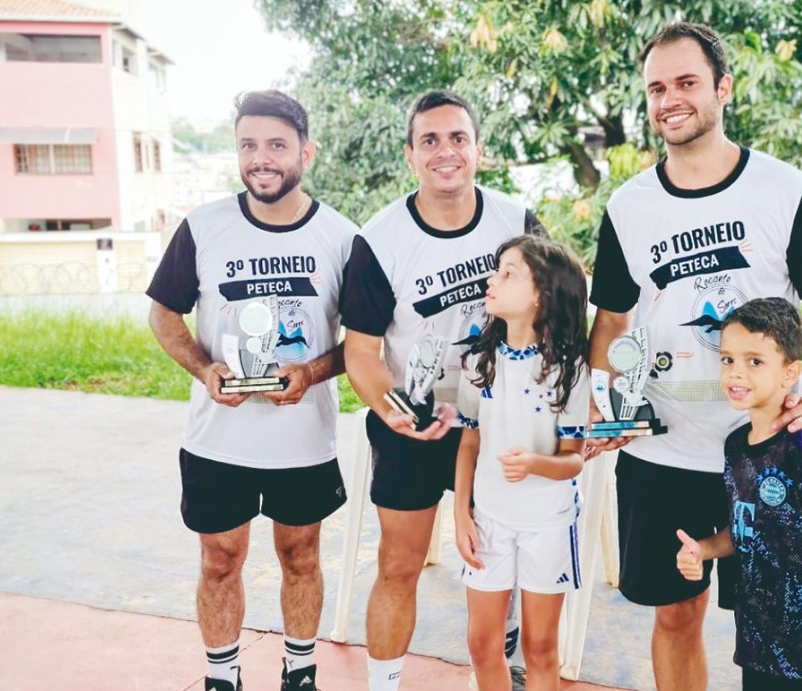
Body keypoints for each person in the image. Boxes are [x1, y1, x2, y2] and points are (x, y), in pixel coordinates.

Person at [587, 21, 802, 691]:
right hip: (663, 454)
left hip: (764, 450)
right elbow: (613, 321)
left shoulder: (784, 191)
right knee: (675, 616)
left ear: (723, 88)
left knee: (775, 625)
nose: (669, 99)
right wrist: (605, 402)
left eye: (686, 82)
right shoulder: (629, 206)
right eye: (656, 88)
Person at [147, 90, 357, 691]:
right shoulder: (203, 226)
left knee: (301, 556)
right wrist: (204, 369)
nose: (260, 158)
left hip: (303, 440)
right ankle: (223, 678)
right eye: (247, 145)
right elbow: (164, 314)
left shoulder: (342, 237)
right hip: (218, 440)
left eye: (276, 145)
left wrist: (311, 373)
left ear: (306, 153)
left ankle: (300, 673)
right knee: (219, 560)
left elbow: (366, 342)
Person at [340, 90, 544, 691]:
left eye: (458, 138)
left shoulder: (517, 221)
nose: (445, 151)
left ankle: (504, 662)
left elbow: (556, 312)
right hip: (416, 419)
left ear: (479, 150)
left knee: (501, 557)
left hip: (500, 419)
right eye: (429, 140)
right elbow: (361, 352)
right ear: (410, 155)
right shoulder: (380, 239)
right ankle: (383, 683)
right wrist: (395, 409)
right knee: (399, 562)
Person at [676, 297, 802, 691]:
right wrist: (703, 550)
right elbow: (746, 527)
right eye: (728, 360)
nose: (736, 372)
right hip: (756, 639)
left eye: (754, 361)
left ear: (790, 372)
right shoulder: (736, 447)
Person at [454, 236, 589, 691]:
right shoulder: (478, 361)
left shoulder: (570, 369)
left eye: (508, 273)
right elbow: (469, 443)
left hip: (547, 523)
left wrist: (534, 463)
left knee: (540, 647)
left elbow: (574, 460)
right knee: (481, 644)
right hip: (489, 520)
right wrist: (461, 515)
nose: (492, 281)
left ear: (541, 295)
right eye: (497, 270)